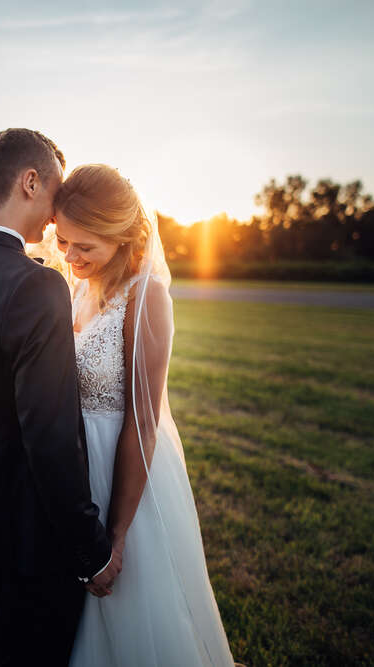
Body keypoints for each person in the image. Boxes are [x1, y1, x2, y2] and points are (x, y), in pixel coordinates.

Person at [0, 129, 121, 666]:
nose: (57, 216)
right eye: (54, 193)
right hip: (35, 538)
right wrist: (90, 548)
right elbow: (50, 433)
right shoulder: (39, 286)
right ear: (30, 182)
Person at [47, 164, 236, 666]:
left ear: (121, 236)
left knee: (134, 620)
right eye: (63, 242)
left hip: (123, 477)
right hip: (76, 471)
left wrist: (117, 534)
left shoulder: (144, 295)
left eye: (84, 246)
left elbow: (143, 422)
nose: (70, 256)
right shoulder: (75, 286)